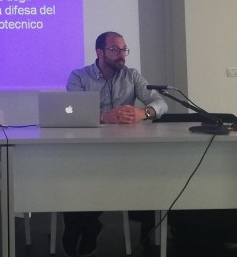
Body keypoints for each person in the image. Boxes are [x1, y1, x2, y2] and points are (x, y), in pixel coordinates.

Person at [61, 31, 168, 257]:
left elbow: (160, 102)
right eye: (115, 49)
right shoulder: (79, 76)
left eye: (124, 49)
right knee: (76, 175)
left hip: (125, 149)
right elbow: (71, 110)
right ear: (99, 52)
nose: (122, 54)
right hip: (88, 149)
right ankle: (84, 224)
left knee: (146, 173)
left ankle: (91, 223)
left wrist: (144, 112)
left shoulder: (132, 75)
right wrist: (103, 117)